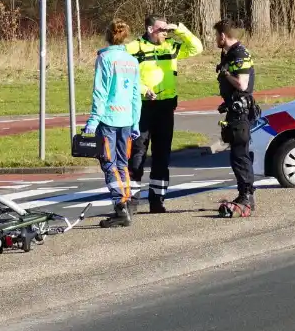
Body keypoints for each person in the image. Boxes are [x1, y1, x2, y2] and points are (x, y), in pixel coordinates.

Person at [126, 15, 203, 213]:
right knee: (138, 153)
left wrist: (179, 28)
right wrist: (143, 89)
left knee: (162, 155)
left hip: (166, 107)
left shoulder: (170, 46)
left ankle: (157, 200)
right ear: (151, 29)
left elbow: (197, 47)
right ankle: (131, 200)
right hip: (143, 106)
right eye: (162, 30)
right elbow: (125, 75)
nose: (166, 33)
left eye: (167, 30)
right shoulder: (134, 48)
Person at [83, 20, 142, 228]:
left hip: (108, 118)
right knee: (123, 164)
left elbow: (100, 92)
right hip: (126, 119)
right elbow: (136, 95)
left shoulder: (105, 58)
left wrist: (93, 120)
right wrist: (136, 122)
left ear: (107, 35)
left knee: (109, 164)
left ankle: (120, 206)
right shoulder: (132, 61)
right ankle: (126, 202)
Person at [214, 20, 259, 213]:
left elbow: (242, 84)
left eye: (217, 35)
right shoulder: (230, 53)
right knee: (237, 154)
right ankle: (244, 193)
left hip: (241, 113)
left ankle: (246, 194)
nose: (215, 39)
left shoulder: (239, 54)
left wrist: (225, 74)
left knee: (240, 155)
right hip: (235, 110)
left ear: (223, 36)